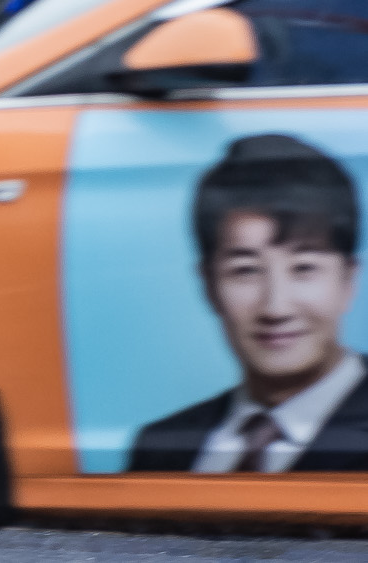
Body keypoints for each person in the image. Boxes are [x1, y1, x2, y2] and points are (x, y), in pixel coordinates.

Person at [129, 134, 368, 471]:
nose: (276, 308)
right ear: (209, 285)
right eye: (246, 271)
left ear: (348, 280)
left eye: (304, 268)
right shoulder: (159, 446)